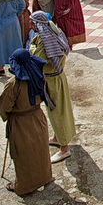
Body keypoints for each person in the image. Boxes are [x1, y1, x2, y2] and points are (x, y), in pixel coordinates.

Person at [0, 48, 53, 195]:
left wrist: (7, 115)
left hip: (21, 122)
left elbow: (4, 106)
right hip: (37, 117)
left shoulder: (14, 83)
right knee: (40, 150)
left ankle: (24, 185)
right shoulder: (38, 74)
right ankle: (45, 177)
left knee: (24, 155)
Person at [28, 12, 75, 164]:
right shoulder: (50, 34)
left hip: (53, 81)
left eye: (32, 22)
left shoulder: (46, 39)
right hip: (52, 79)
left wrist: (31, 47)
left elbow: (36, 56)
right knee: (54, 111)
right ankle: (57, 137)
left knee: (58, 112)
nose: (30, 25)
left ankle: (64, 148)